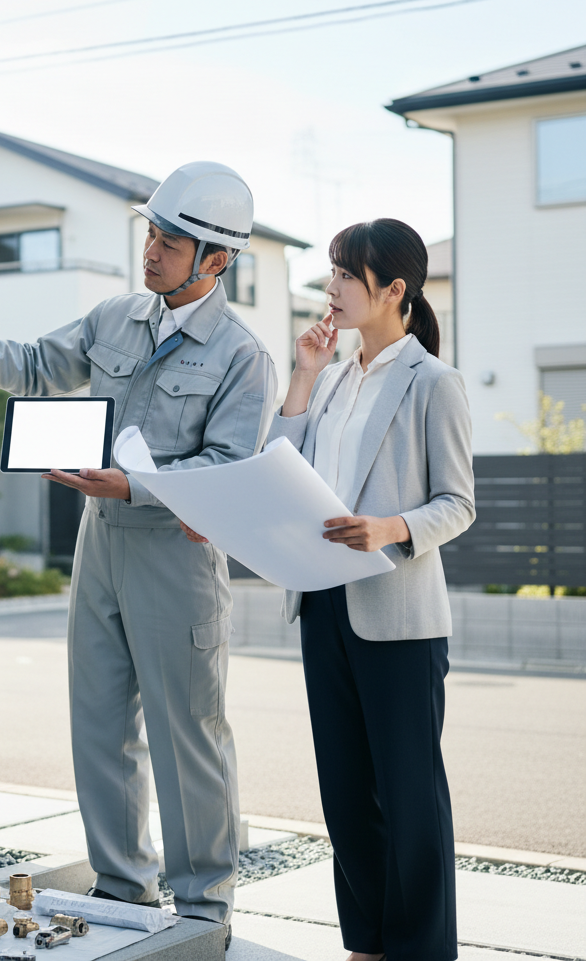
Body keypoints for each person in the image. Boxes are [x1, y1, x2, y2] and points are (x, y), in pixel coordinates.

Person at [0, 162, 278, 947]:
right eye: (150, 233)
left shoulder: (244, 357)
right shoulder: (116, 317)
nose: (151, 250)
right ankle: (123, 886)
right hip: (99, 545)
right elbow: (41, 366)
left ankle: (205, 905)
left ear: (217, 260)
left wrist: (134, 487)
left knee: (189, 732)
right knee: (100, 724)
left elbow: (229, 469)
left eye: (170, 241)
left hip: (174, 556)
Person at [193, 218, 472, 961]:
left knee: (410, 797)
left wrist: (391, 529)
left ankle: (421, 949)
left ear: (394, 290)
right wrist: (305, 377)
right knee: (347, 795)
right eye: (330, 275)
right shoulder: (337, 377)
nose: (330, 289)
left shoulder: (432, 382)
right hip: (323, 606)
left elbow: (459, 503)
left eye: (345, 276)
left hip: (399, 617)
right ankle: (369, 943)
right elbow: (280, 468)